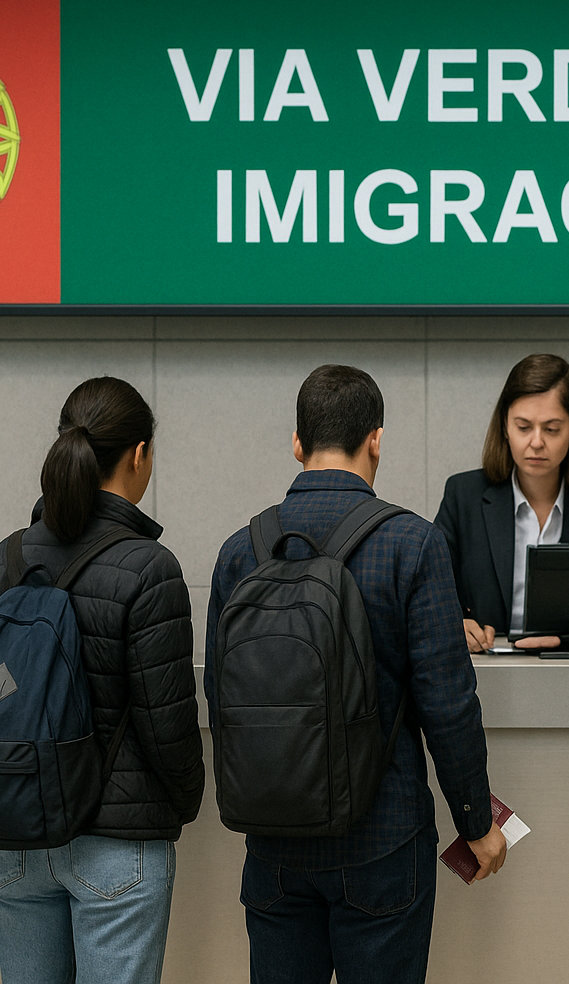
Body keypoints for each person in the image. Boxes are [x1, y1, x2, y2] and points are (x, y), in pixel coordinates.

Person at [207, 364, 506, 984]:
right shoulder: (412, 545)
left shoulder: (241, 551)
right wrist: (475, 822)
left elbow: (219, 697)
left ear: (297, 443)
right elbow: (448, 705)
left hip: (274, 844)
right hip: (383, 840)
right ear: (376, 440)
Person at [0, 377, 205, 983]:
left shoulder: (5, 560)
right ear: (139, 455)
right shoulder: (149, 568)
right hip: (118, 844)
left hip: (20, 837)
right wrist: (183, 803)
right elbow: (167, 725)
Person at [434, 353, 569, 653]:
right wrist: (453, 624)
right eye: (523, 427)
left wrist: (563, 642)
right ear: (505, 427)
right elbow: (429, 599)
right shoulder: (463, 495)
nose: (536, 442)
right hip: (486, 667)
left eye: (552, 429)